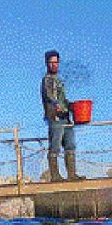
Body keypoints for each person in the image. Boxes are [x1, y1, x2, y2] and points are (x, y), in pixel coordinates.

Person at [41, 50, 83, 181]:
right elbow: (50, 96)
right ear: (47, 63)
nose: (54, 65)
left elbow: (62, 99)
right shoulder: (47, 80)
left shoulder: (59, 80)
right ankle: (55, 175)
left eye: (56, 62)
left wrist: (72, 106)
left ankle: (72, 174)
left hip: (65, 117)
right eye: (51, 62)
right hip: (55, 117)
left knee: (70, 145)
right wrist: (56, 105)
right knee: (55, 146)